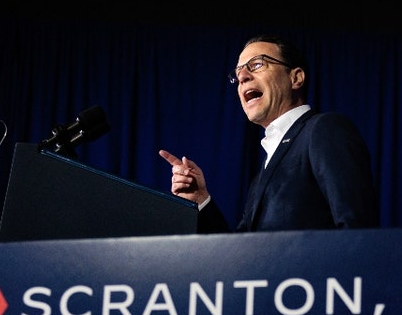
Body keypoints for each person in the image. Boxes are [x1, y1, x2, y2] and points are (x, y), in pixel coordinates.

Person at [158, 34, 379, 233]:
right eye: (237, 74)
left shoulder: (324, 129)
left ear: (296, 78)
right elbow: (241, 256)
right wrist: (201, 200)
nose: (242, 76)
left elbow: (357, 229)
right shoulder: (265, 170)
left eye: (257, 64)